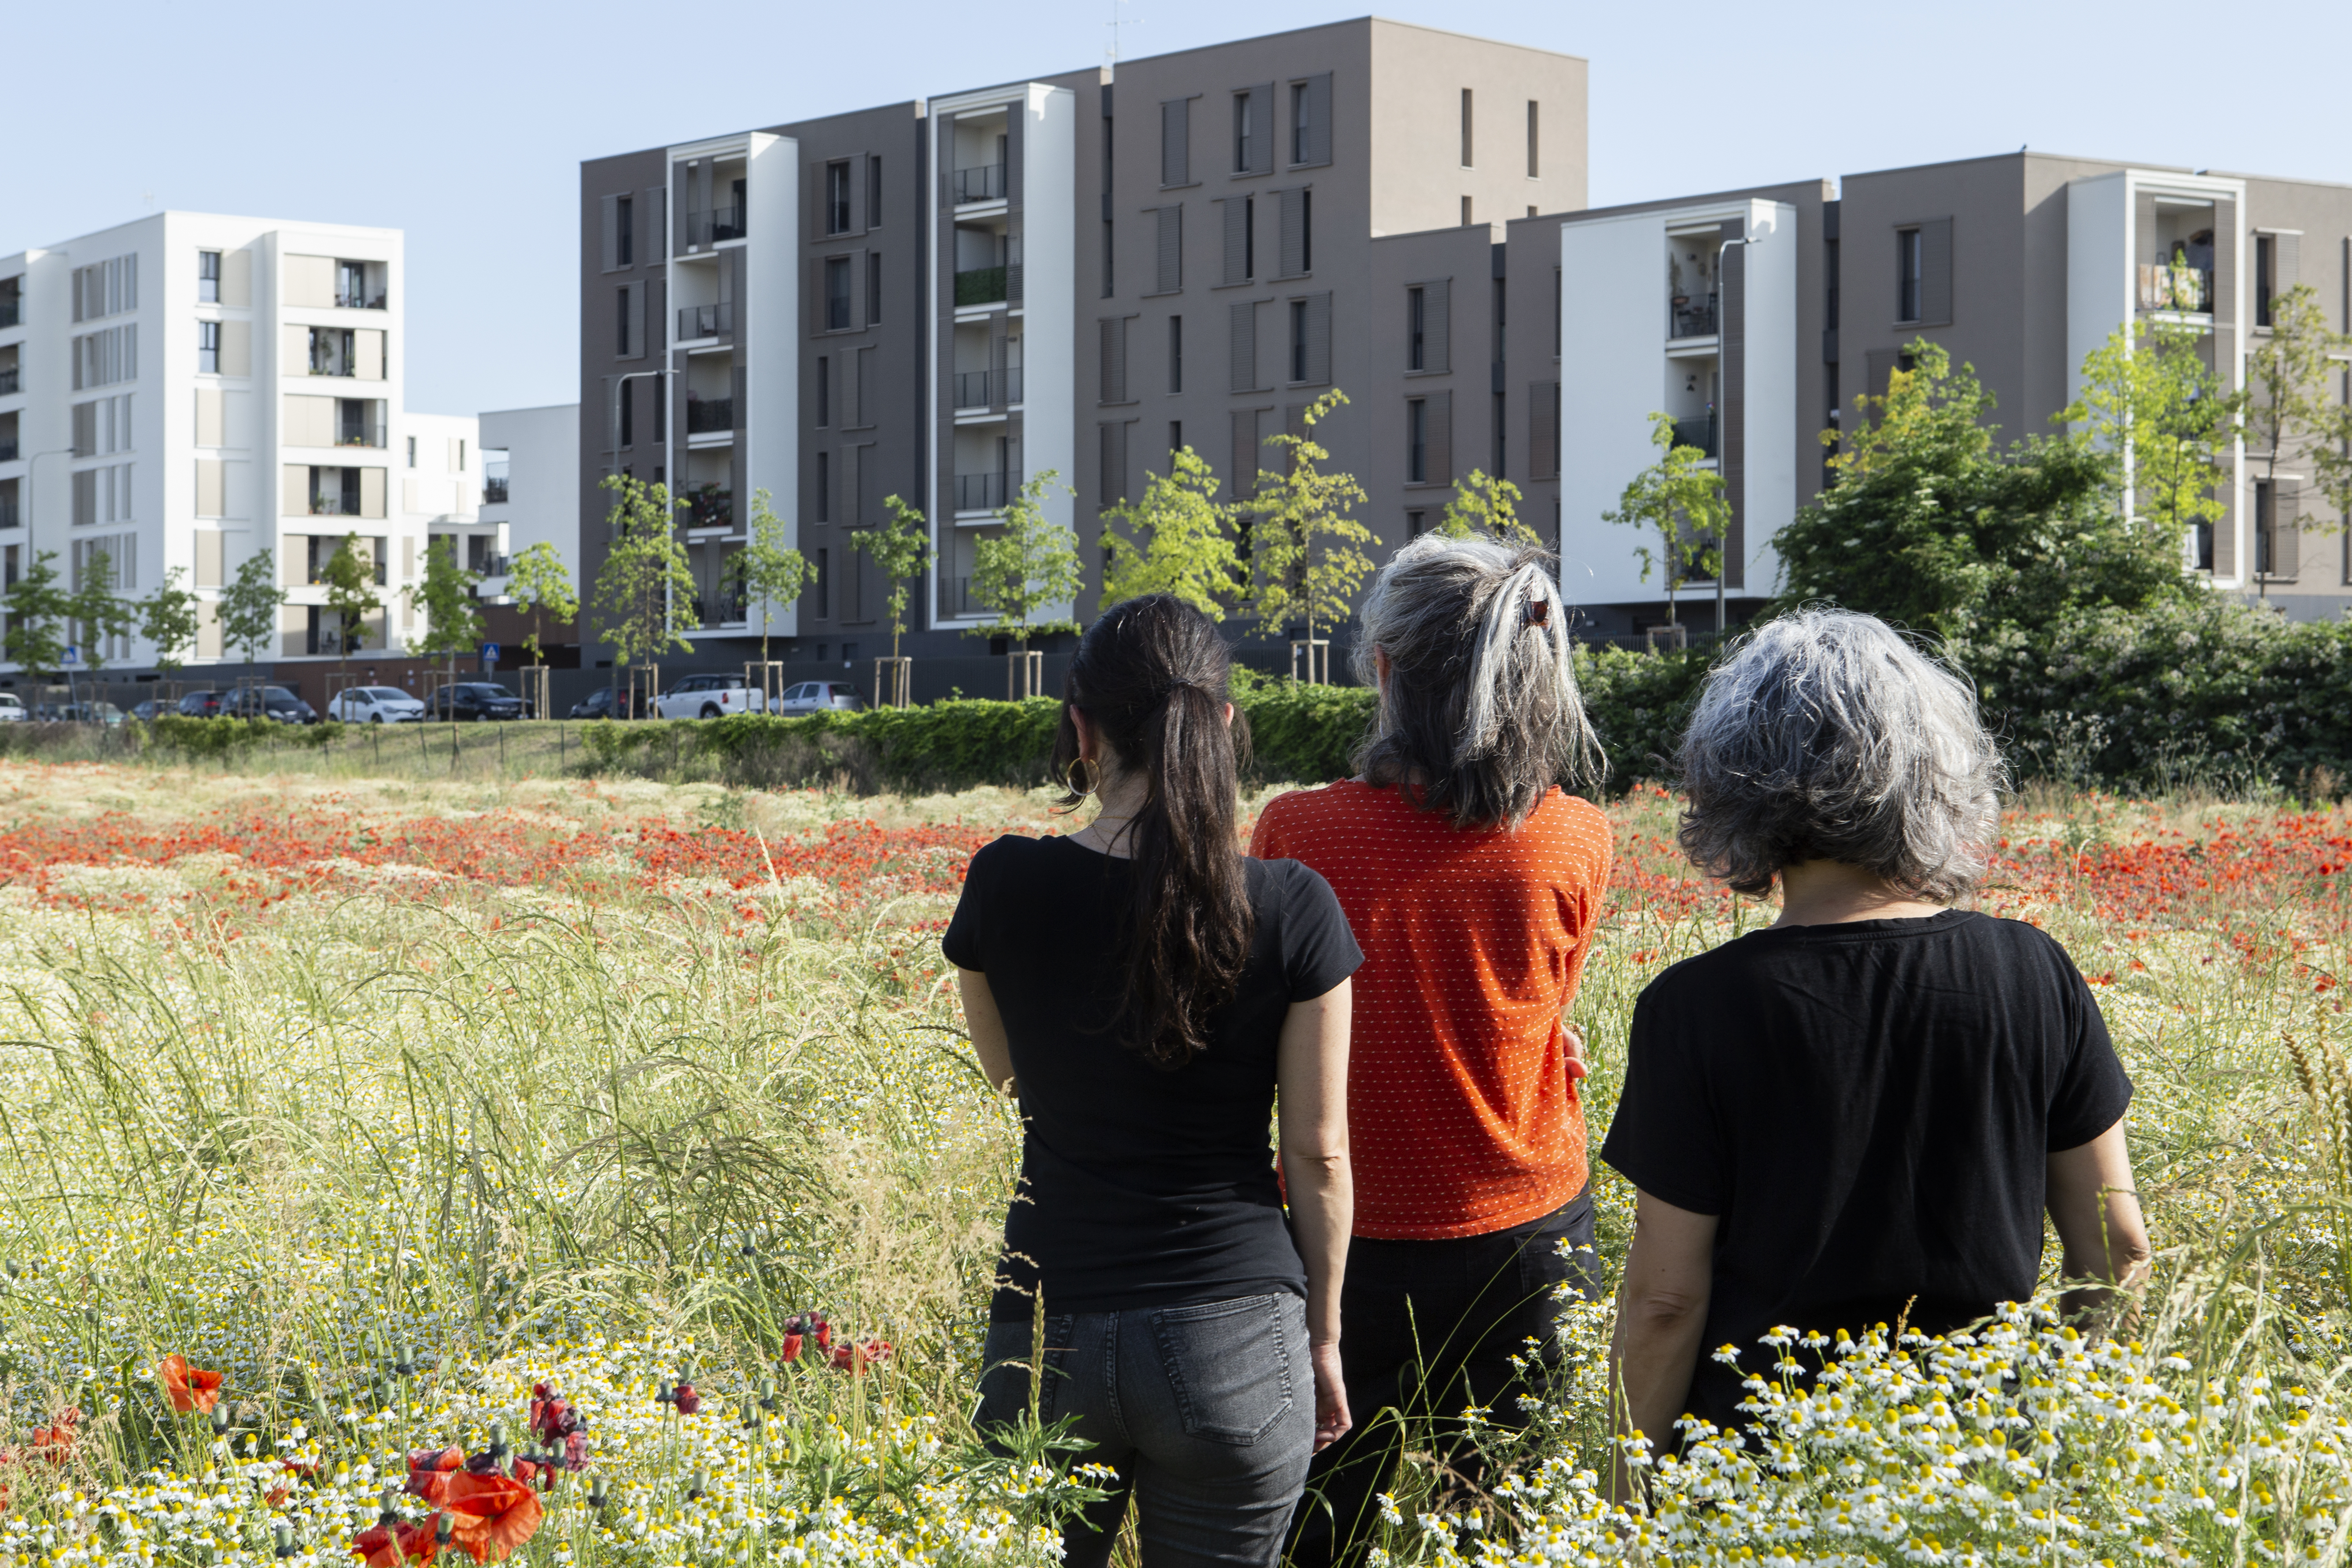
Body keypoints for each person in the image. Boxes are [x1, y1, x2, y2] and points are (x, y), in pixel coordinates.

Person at [1602, 609, 2151, 1486]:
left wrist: (1622, 1497)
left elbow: (1666, 1299)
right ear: (1938, 770)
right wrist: (2055, 1444)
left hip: (1755, 1474)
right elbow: (2117, 1251)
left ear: (1733, 775)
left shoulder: (1693, 1006)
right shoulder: (2031, 969)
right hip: (1974, 1466)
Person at [947, 594, 1360, 1568]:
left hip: (1046, 1322)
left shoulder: (1003, 883)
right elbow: (1317, 1153)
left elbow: (1009, 1076)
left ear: (1082, 730)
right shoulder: (1291, 905)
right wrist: (1324, 1337)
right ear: (1222, 722)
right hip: (1237, 1328)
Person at [1250, 535, 1614, 1564]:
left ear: (1382, 670)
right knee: (1505, 1527)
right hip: (1529, 1230)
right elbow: (1542, 1012)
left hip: (1342, 1237)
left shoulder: (1296, 833)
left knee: (1321, 1529)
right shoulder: (1576, 836)